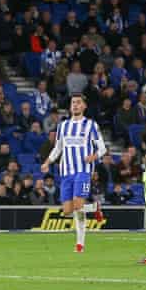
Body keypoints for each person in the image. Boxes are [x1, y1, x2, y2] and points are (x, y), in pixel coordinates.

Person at [40, 94, 106, 253]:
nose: (75, 105)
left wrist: (94, 156)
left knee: (78, 205)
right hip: (66, 172)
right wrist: (47, 162)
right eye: (73, 103)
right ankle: (94, 207)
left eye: (78, 103)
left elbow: (102, 148)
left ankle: (80, 244)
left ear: (84, 106)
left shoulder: (91, 125)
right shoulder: (63, 126)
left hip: (83, 170)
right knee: (69, 210)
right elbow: (58, 147)